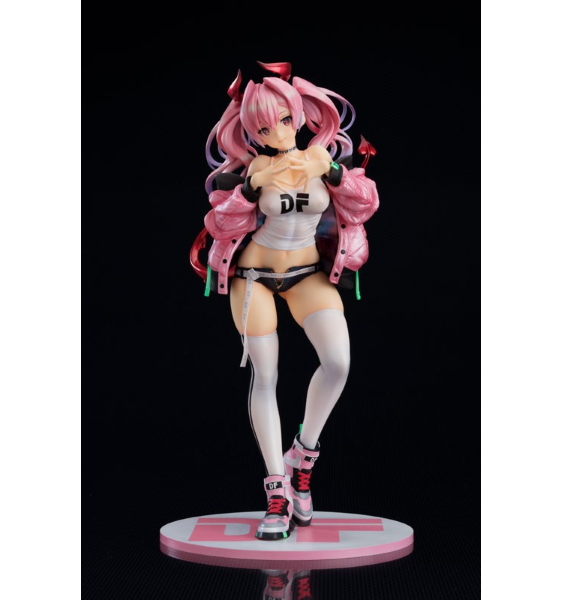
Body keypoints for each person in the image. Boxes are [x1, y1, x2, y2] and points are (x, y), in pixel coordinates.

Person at [192, 61, 380, 540]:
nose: (276, 132)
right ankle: (276, 490)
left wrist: (333, 171)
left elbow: (365, 205)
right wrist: (249, 189)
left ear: (298, 115)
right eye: (262, 127)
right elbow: (219, 224)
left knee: (338, 363)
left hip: (306, 275)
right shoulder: (256, 169)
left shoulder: (319, 159)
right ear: (251, 133)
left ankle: (303, 456)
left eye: (282, 119)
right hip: (254, 278)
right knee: (266, 377)